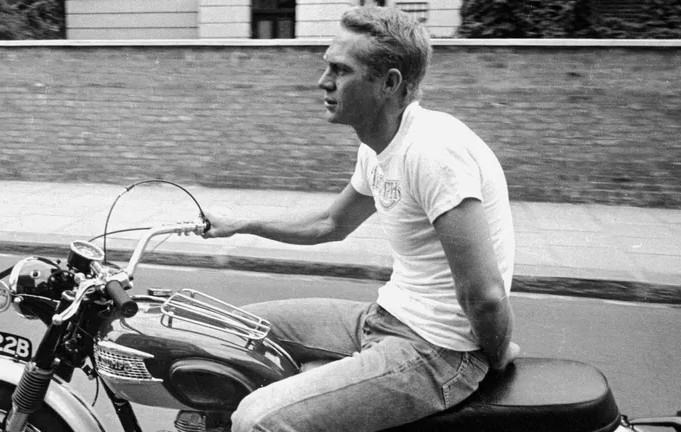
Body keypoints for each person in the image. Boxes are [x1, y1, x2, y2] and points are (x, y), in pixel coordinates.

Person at [202, 6, 519, 432]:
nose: (323, 81)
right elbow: (330, 224)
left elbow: (485, 295)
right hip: (385, 317)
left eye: (340, 70)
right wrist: (242, 224)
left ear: (389, 83)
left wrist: (496, 357)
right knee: (225, 331)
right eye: (327, 67)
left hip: (439, 352)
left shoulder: (432, 152)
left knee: (257, 420)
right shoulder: (378, 148)